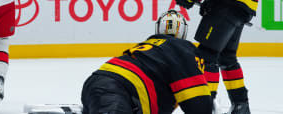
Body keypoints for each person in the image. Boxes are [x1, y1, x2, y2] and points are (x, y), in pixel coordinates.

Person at [81, 10, 212, 114]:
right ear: (183, 31)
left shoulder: (150, 45)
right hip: (118, 90)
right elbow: (198, 103)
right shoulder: (185, 50)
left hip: (101, 82)